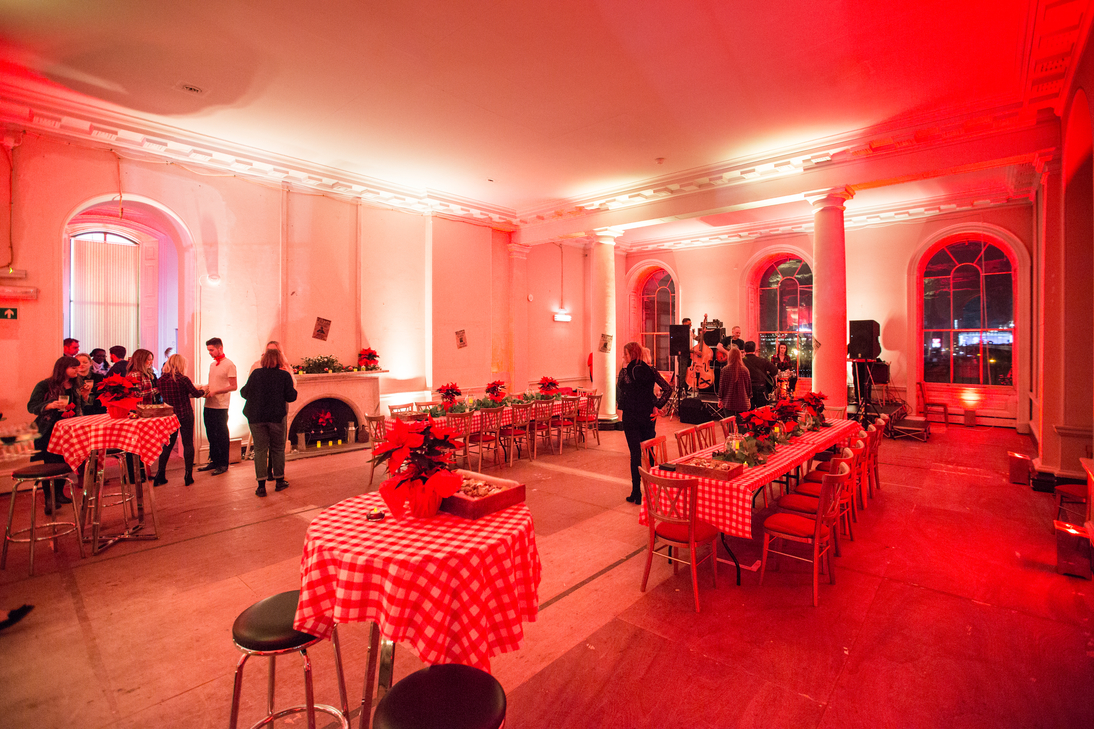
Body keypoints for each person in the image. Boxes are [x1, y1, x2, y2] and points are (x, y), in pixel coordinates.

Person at [617, 341, 671, 505]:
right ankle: (652, 489)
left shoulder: (626, 372)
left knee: (635, 455)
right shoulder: (651, 370)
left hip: (631, 417)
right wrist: (657, 404)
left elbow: (621, 386)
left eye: (624, 353)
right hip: (647, 416)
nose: (623, 356)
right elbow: (668, 389)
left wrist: (624, 366)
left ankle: (636, 493)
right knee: (650, 453)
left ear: (629, 354)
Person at [27, 356, 82, 512]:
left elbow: (80, 407)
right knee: (50, 465)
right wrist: (50, 405)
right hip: (48, 430)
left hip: (68, 429)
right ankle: (49, 498)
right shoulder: (45, 385)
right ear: (62, 368)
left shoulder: (75, 385)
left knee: (65, 463)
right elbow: (32, 406)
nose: (77, 370)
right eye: (73, 368)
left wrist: (84, 397)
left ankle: (59, 493)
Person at [240, 348, 297, 497]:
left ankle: (261, 486)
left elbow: (244, 393)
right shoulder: (284, 375)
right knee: (277, 448)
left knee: (260, 450)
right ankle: (279, 482)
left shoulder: (256, 374)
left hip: (256, 418)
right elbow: (291, 397)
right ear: (280, 360)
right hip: (276, 418)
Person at [154, 354, 205, 486]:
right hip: (185, 413)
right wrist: (203, 390)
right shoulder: (183, 379)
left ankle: (160, 473)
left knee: (167, 445)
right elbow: (196, 394)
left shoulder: (160, 380)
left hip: (170, 415)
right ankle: (188, 475)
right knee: (188, 443)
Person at [200, 337, 237, 476]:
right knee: (210, 433)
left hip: (221, 405)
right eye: (208, 350)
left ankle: (223, 463)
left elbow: (233, 386)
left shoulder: (229, 364)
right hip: (209, 403)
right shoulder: (212, 365)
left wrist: (215, 392)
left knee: (221, 434)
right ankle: (214, 460)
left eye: (211, 350)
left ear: (220, 348)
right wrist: (206, 389)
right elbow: (214, 383)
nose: (209, 352)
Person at [717, 346, 753, 416]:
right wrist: (749, 399)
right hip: (743, 402)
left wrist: (720, 399)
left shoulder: (725, 370)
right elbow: (749, 387)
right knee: (742, 425)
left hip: (728, 402)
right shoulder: (745, 370)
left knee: (730, 425)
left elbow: (722, 387)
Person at [742, 340, 778, 409]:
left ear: (744, 350)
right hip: (761, 389)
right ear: (755, 350)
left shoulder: (741, 362)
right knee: (762, 413)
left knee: (748, 414)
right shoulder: (762, 361)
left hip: (746, 390)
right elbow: (775, 371)